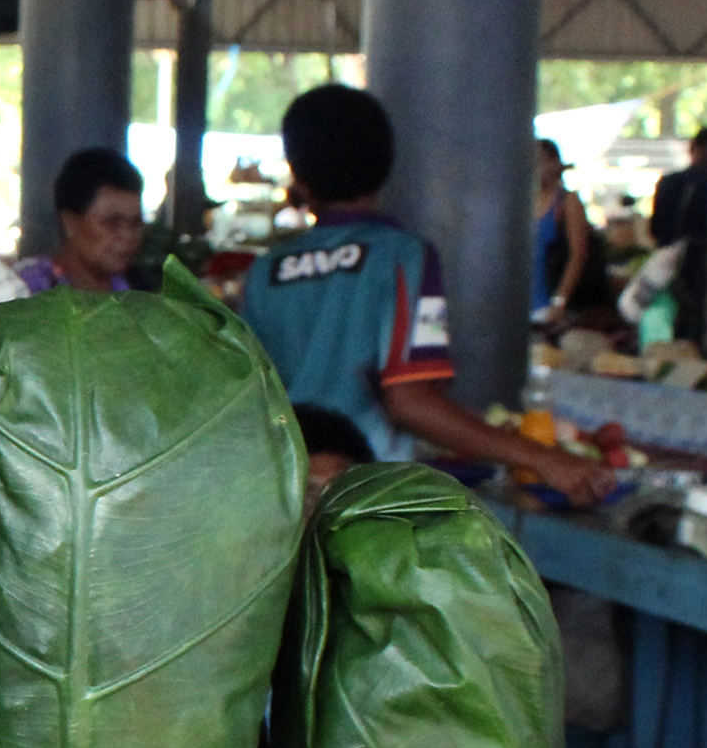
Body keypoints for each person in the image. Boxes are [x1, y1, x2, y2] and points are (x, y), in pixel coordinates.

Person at [243, 85, 608, 506]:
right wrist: (544, 459)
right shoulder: (404, 257)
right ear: (388, 161)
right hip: (365, 497)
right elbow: (409, 401)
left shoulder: (264, 271)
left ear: (297, 174)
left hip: (279, 496)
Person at [19, 145, 144, 296]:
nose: (128, 236)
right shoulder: (24, 291)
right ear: (69, 223)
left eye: (135, 224)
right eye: (112, 223)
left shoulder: (138, 293)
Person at [532, 138, 609, 322]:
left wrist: (560, 300)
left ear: (555, 164)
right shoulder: (521, 203)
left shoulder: (567, 201)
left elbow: (578, 255)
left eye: (540, 162)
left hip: (550, 300)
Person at [648, 124, 707, 319]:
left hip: (667, 269)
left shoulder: (669, 182)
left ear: (692, 147)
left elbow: (655, 228)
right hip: (702, 273)